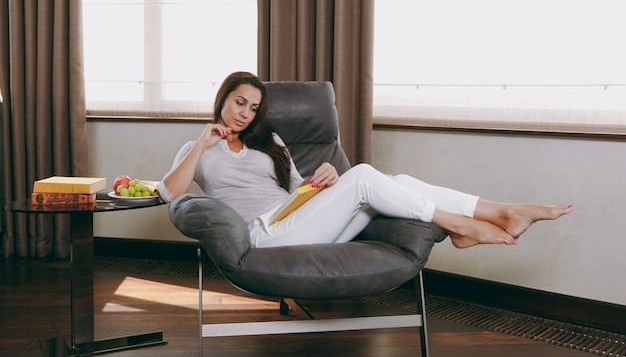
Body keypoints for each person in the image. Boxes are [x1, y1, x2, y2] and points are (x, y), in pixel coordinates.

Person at [158, 71, 573, 249]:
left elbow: (296, 190)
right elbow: (168, 193)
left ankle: (500, 210)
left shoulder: (270, 140)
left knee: (400, 179)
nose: (244, 114)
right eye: (238, 103)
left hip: (300, 221)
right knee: (366, 176)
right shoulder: (195, 150)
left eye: (252, 108)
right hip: (266, 237)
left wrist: (322, 178)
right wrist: (201, 143)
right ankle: (460, 225)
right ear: (223, 100)